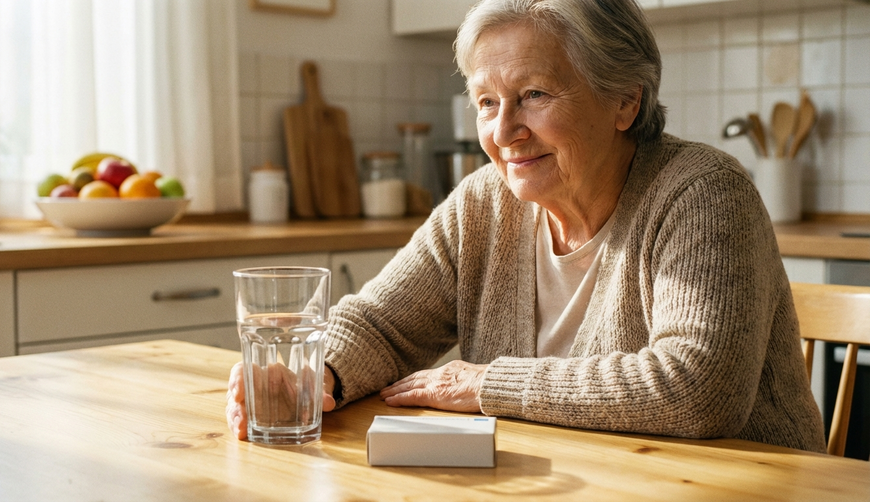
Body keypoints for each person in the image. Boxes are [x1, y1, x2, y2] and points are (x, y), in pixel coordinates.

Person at [227, 0, 826, 453]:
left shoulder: (703, 191)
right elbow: (383, 324)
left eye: (534, 94)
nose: (504, 131)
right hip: (575, 481)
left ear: (625, 101)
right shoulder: (484, 202)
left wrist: (488, 385)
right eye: (487, 102)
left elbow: (698, 390)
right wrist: (309, 372)